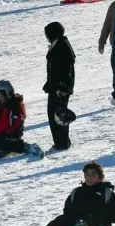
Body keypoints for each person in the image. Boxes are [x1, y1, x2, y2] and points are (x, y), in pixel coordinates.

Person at [30, 161, 115, 226]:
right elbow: (67, 209)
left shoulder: (106, 193)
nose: (89, 177)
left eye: (93, 174)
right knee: (61, 219)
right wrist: (68, 218)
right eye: (87, 174)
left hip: (95, 223)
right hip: (75, 220)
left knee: (83, 221)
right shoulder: (77, 191)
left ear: (100, 177)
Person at [0, 80, 44, 163]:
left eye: (0, 95)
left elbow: (17, 125)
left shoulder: (15, 107)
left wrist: (5, 135)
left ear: (7, 94)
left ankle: (28, 148)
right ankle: (0, 150)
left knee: (1, 144)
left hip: (10, 139)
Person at [43, 21, 76, 151]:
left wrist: (62, 87)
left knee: (57, 115)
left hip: (59, 89)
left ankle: (61, 144)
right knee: (57, 114)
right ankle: (62, 142)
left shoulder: (60, 46)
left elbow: (64, 69)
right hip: (56, 87)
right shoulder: (59, 43)